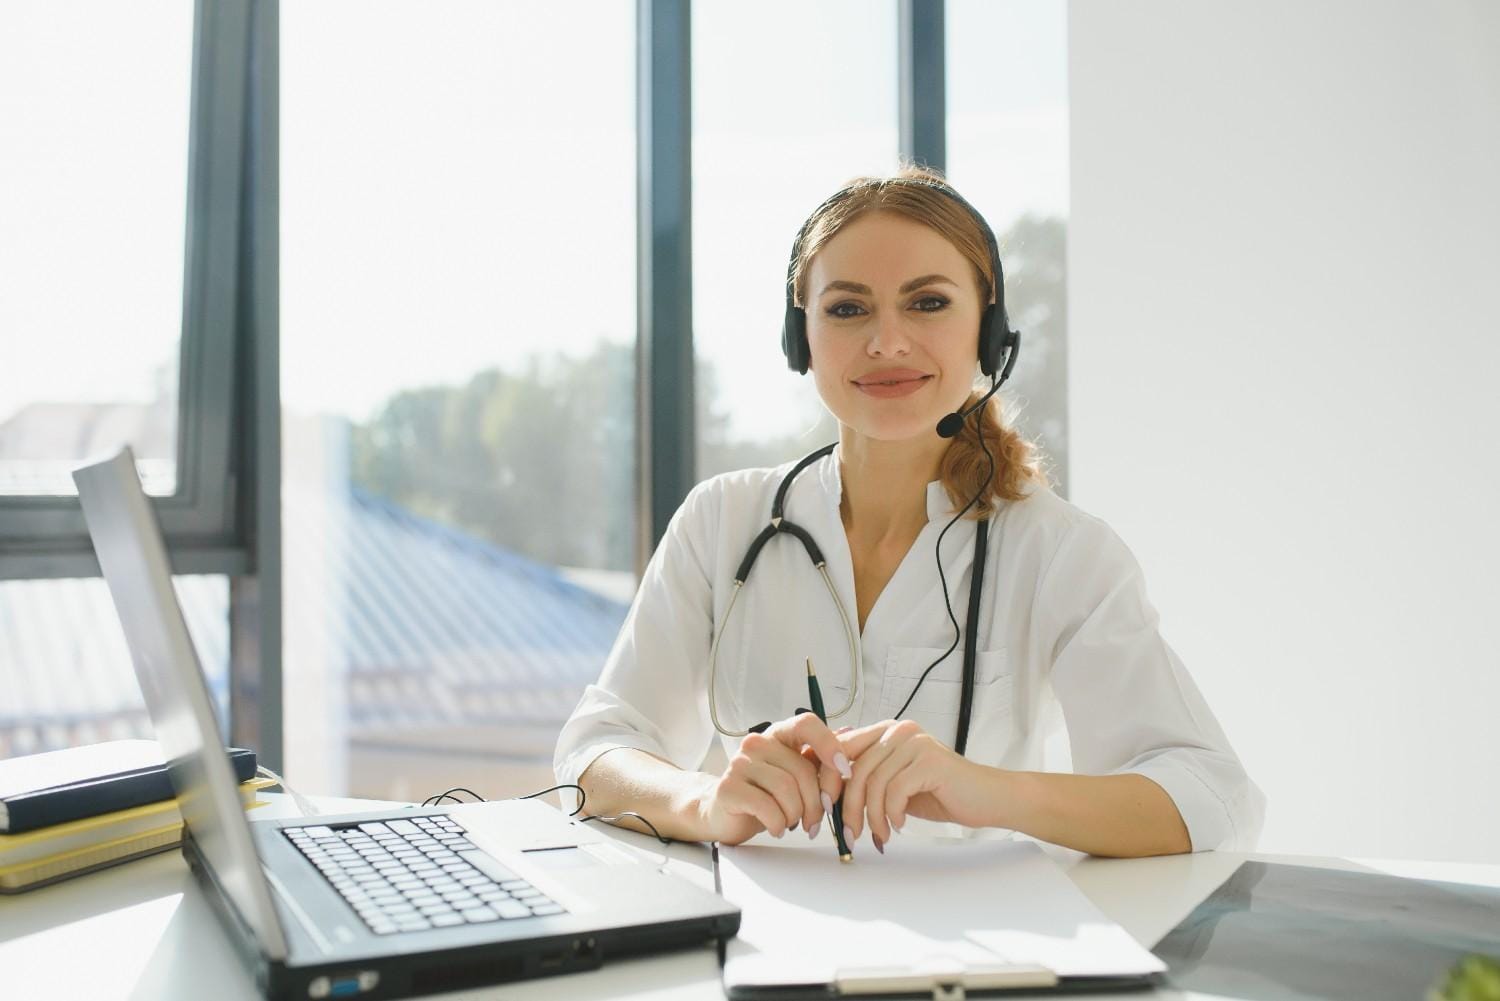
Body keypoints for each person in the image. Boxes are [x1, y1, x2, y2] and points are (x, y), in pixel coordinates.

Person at [554, 167, 1264, 858]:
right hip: (753, 948)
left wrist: (981, 789)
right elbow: (595, 749)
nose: (886, 342)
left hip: (974, 956)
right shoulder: (721, 520)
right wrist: (705, 802)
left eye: (927, 302)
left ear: (989, 330)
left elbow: (1211, 795)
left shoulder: (1060, 551)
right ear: (800, 336)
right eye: (847, 307)